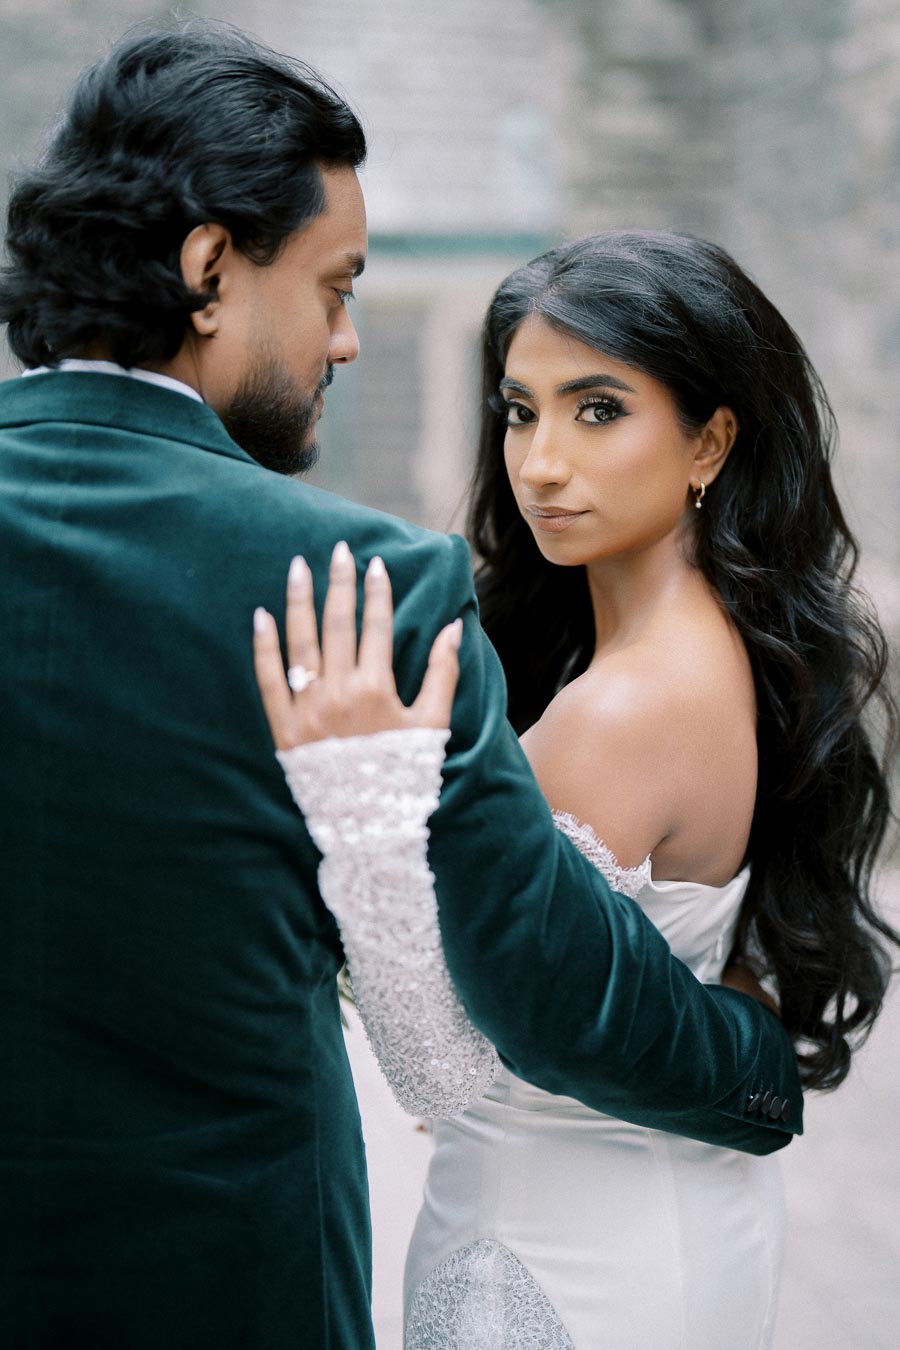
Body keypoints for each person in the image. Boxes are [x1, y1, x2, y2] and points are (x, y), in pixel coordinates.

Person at [0, 22, 803, 1349]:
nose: (349, 339)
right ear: (209, 269)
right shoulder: (360, 586)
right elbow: (539, 991)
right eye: (332, 285)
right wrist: (758, 1075)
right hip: (232, 1293)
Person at [252, 232, 898, 1348]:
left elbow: (445, 1068)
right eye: (519, 411)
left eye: (598, 410)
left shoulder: (621, 711)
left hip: (557, 1250)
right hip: (668, 1210)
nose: (542, 461)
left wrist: (352, 813)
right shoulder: (719, 650)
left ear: (711, 440)